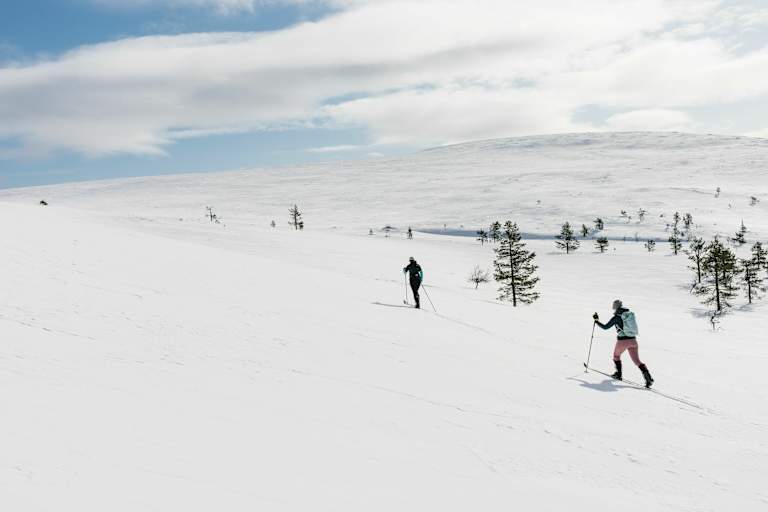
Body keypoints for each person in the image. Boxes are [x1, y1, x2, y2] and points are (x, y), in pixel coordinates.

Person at [593, 299, 654, 388]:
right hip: (633, 341)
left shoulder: (617, 317)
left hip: (622, 341)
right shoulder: (629, 315)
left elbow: (605, 327)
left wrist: (596, 321)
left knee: (616, 356)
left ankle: (618, 374)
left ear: (615, 307)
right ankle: (648, 379)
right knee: (637, 361)